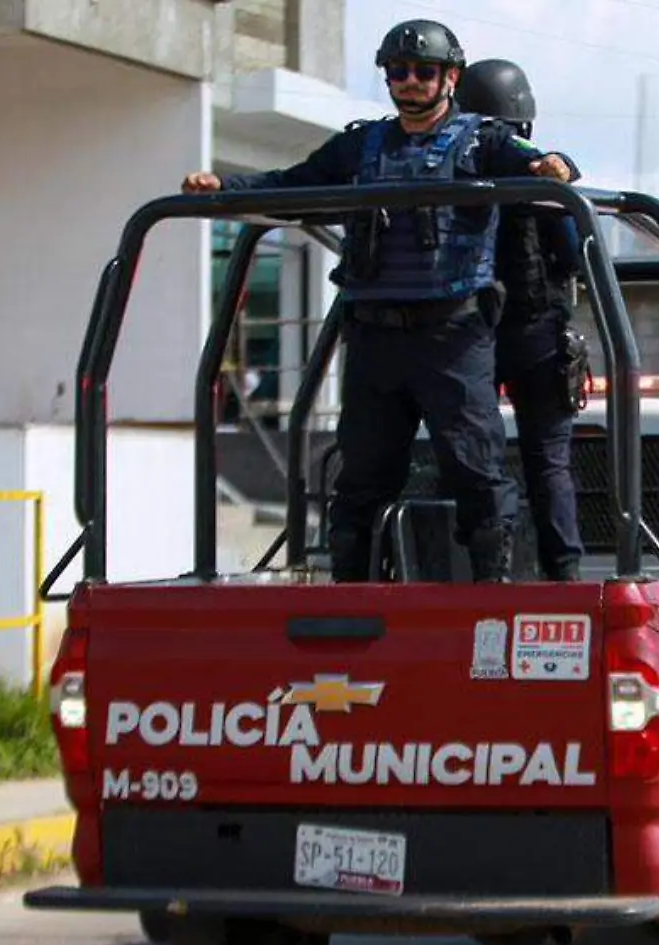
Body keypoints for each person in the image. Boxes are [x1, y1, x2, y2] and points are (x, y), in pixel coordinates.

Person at [179, 19, 581, 583]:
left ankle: (492, 592)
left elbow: (542, 166)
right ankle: (351, 596)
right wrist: (227, 189)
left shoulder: (482, 140)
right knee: (362, 478)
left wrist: (554, 166)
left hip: (452, 335)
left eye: (424, 72)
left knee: (476, 472)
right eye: (399, 71)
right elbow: (294, 182)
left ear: (450, 78)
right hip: (375, 336)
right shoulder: (362, 145)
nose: (410, 82)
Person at [456, 57, 589, 581]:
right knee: (549, 462)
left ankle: (487, 571)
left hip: (467, 335)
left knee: (474, 460)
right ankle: (564, 572)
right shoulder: (539, 177)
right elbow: (575, 254)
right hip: (535, 332)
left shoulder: (452, 170)